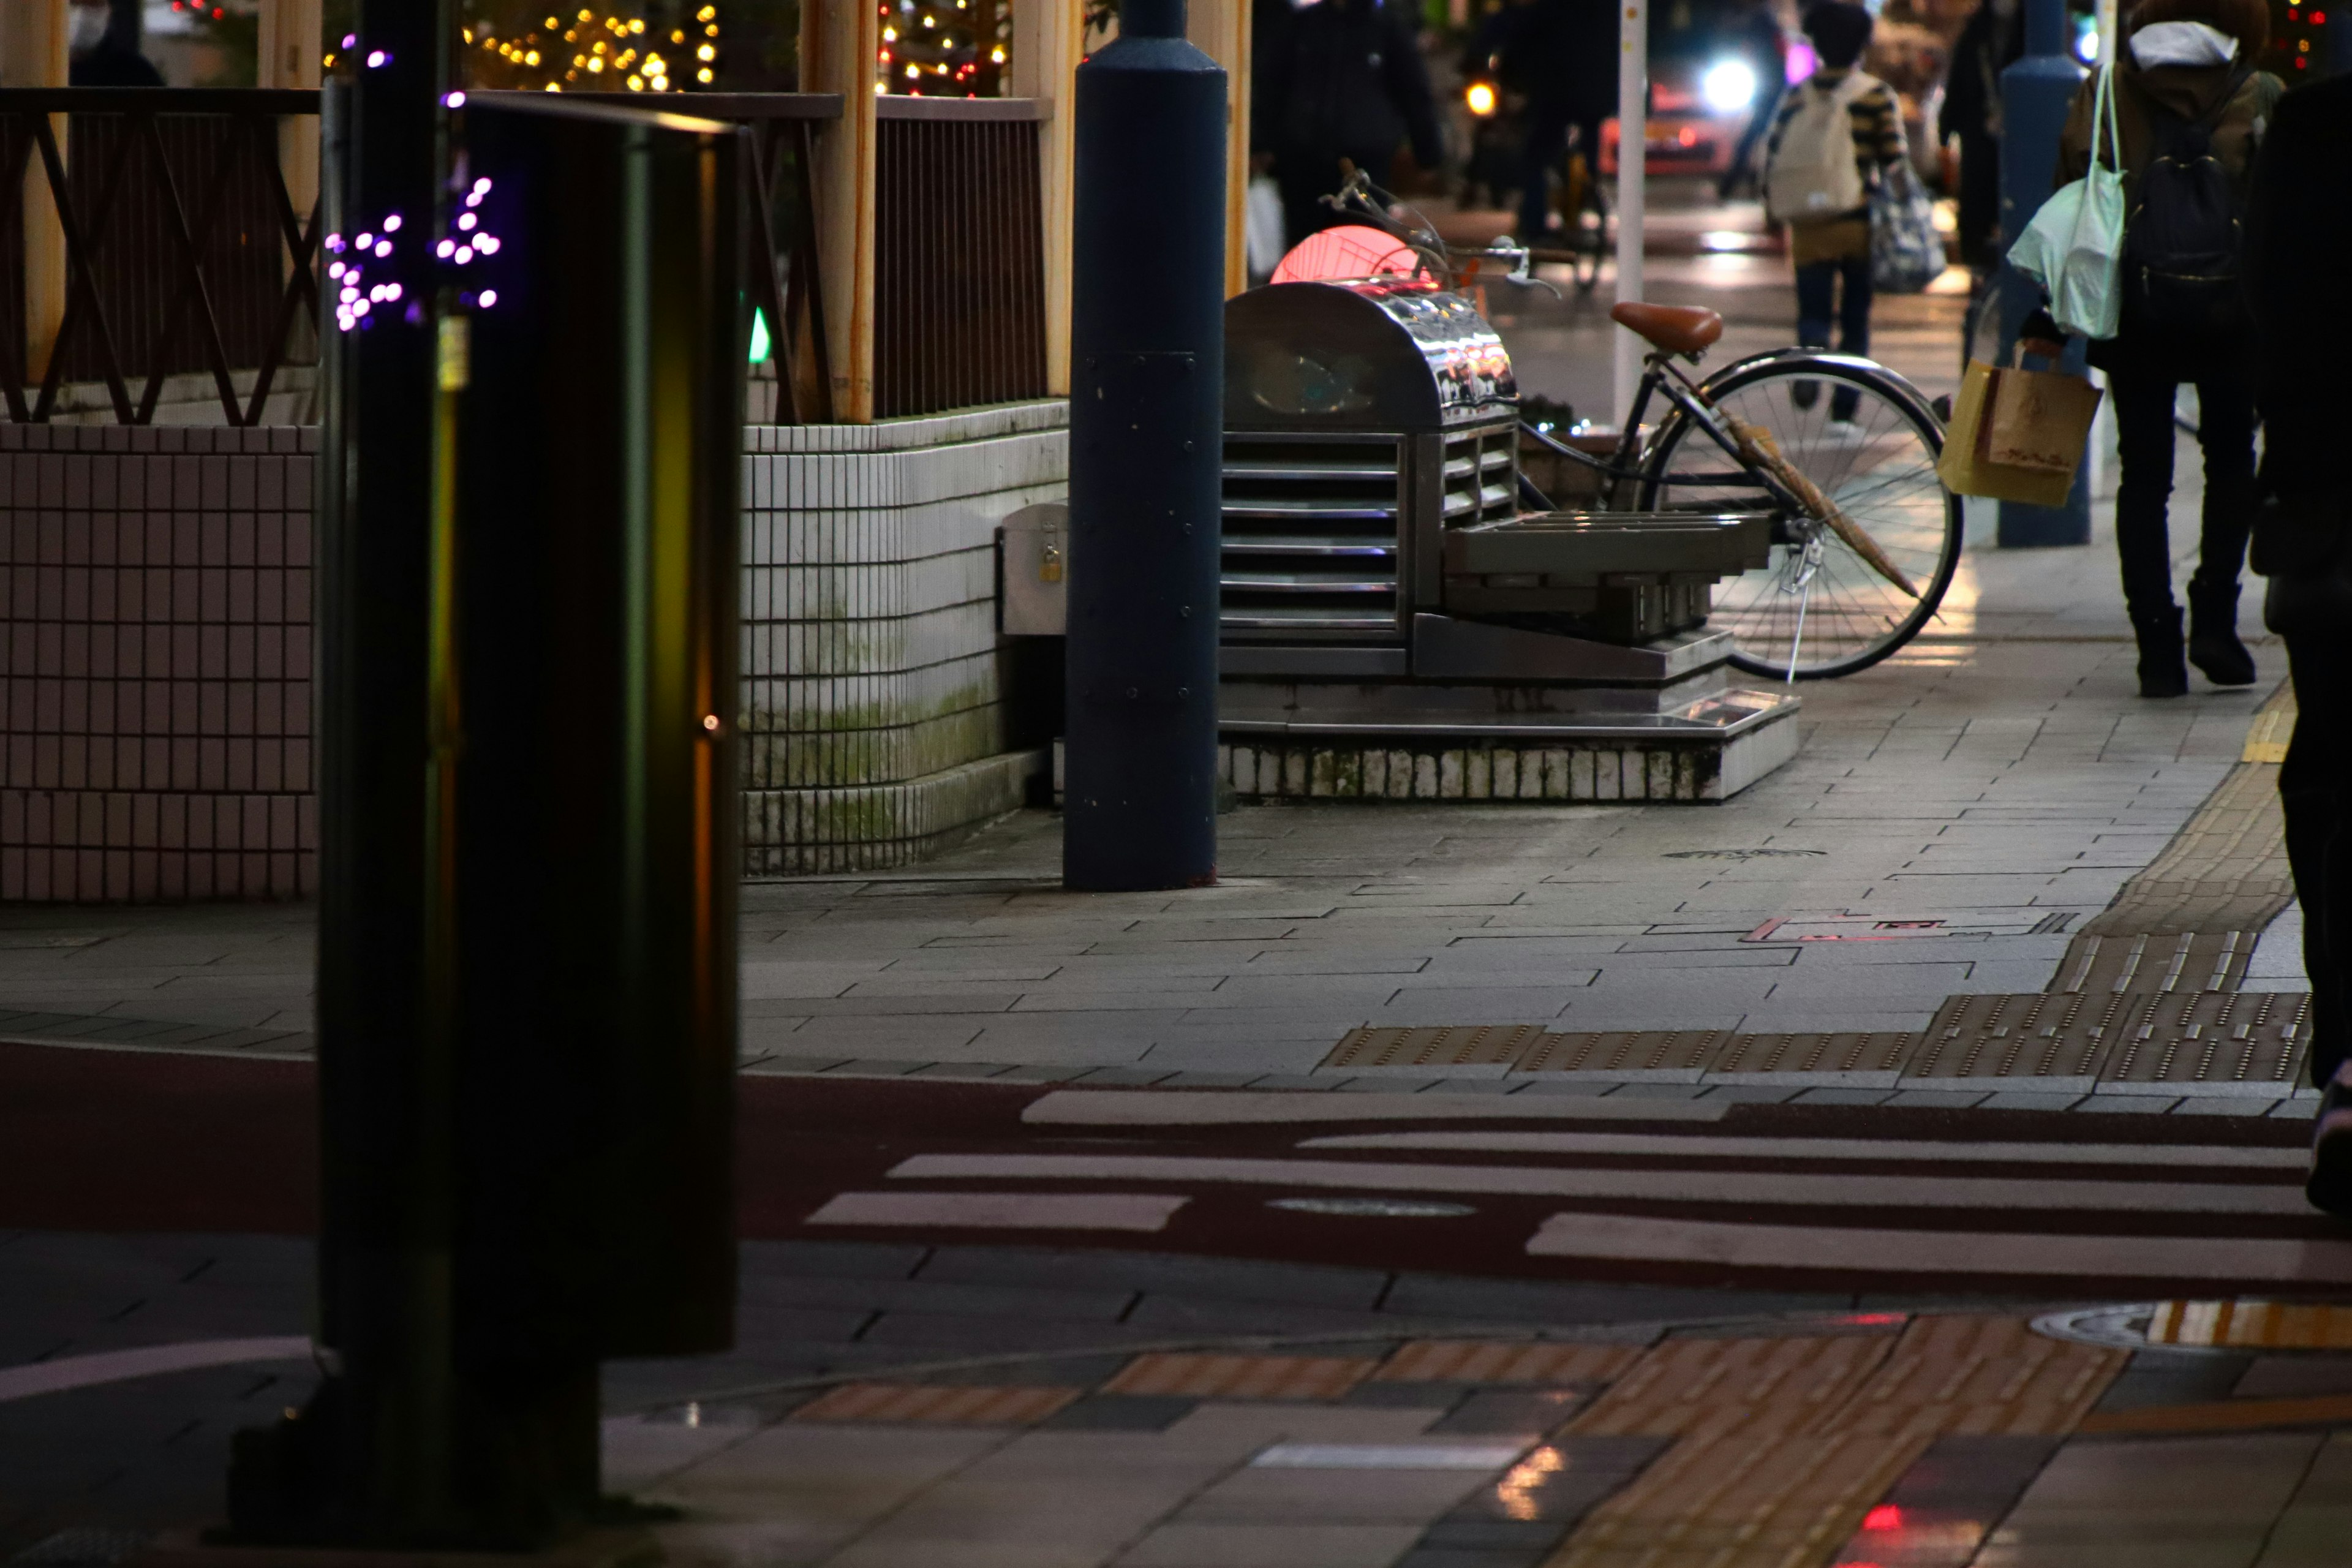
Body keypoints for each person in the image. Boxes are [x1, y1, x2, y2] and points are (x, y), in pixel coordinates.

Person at [2023, 0, 2279, 698]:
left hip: (2136, 315)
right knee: (2232, 464)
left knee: (2144, 480)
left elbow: (2072, 200)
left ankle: (2157, 647)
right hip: (2236, 315)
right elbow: (2282, 212)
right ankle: (2216, 622)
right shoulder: (2259, 92)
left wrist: (2048, 313)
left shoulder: (2106, 88)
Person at [2245, 70, 2352, 1213]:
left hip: (2330, 520)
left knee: (2331, 782)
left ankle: (2348, 1066)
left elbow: (2267, 303)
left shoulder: (2316, 126)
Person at [1762, 2, 1906, 424]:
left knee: (1812, 311)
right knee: (1857, 320)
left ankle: (1811, 357)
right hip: (1857, 223)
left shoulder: (1797, 95)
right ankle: (1845, 410)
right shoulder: (1875, 95)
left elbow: (1772, 154)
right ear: (1863, 44)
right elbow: (1894, 157)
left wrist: (1770, 210)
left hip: (1809, 227)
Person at [1254, 0, 1446, 244]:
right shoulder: (1303, 25)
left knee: (1362, 245)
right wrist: (1261, 143)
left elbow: (1413, 91)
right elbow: (1272, 85)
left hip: (1366, 164)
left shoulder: (1386, 27)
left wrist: (1428, 152)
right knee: (1306, 247)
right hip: (1303, 162)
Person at [1490, 0, 1617, 243]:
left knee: (1535, 159)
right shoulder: (1606, 9)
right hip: (1594, 96)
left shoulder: (1544, 10)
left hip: (1553, 97)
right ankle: (1586, 189)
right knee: (1588, 143)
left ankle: (1535, 225)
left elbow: (1517, 45)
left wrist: (1511, 78)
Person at [1718, 0, 1788, 202]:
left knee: (1755, 140)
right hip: (1770, 89)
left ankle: (1737, 187)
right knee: (1763, 139)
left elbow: (1767, 56)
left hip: (1768, 90)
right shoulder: (1766, 23)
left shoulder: (1761, 23)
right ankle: (1753, 187)